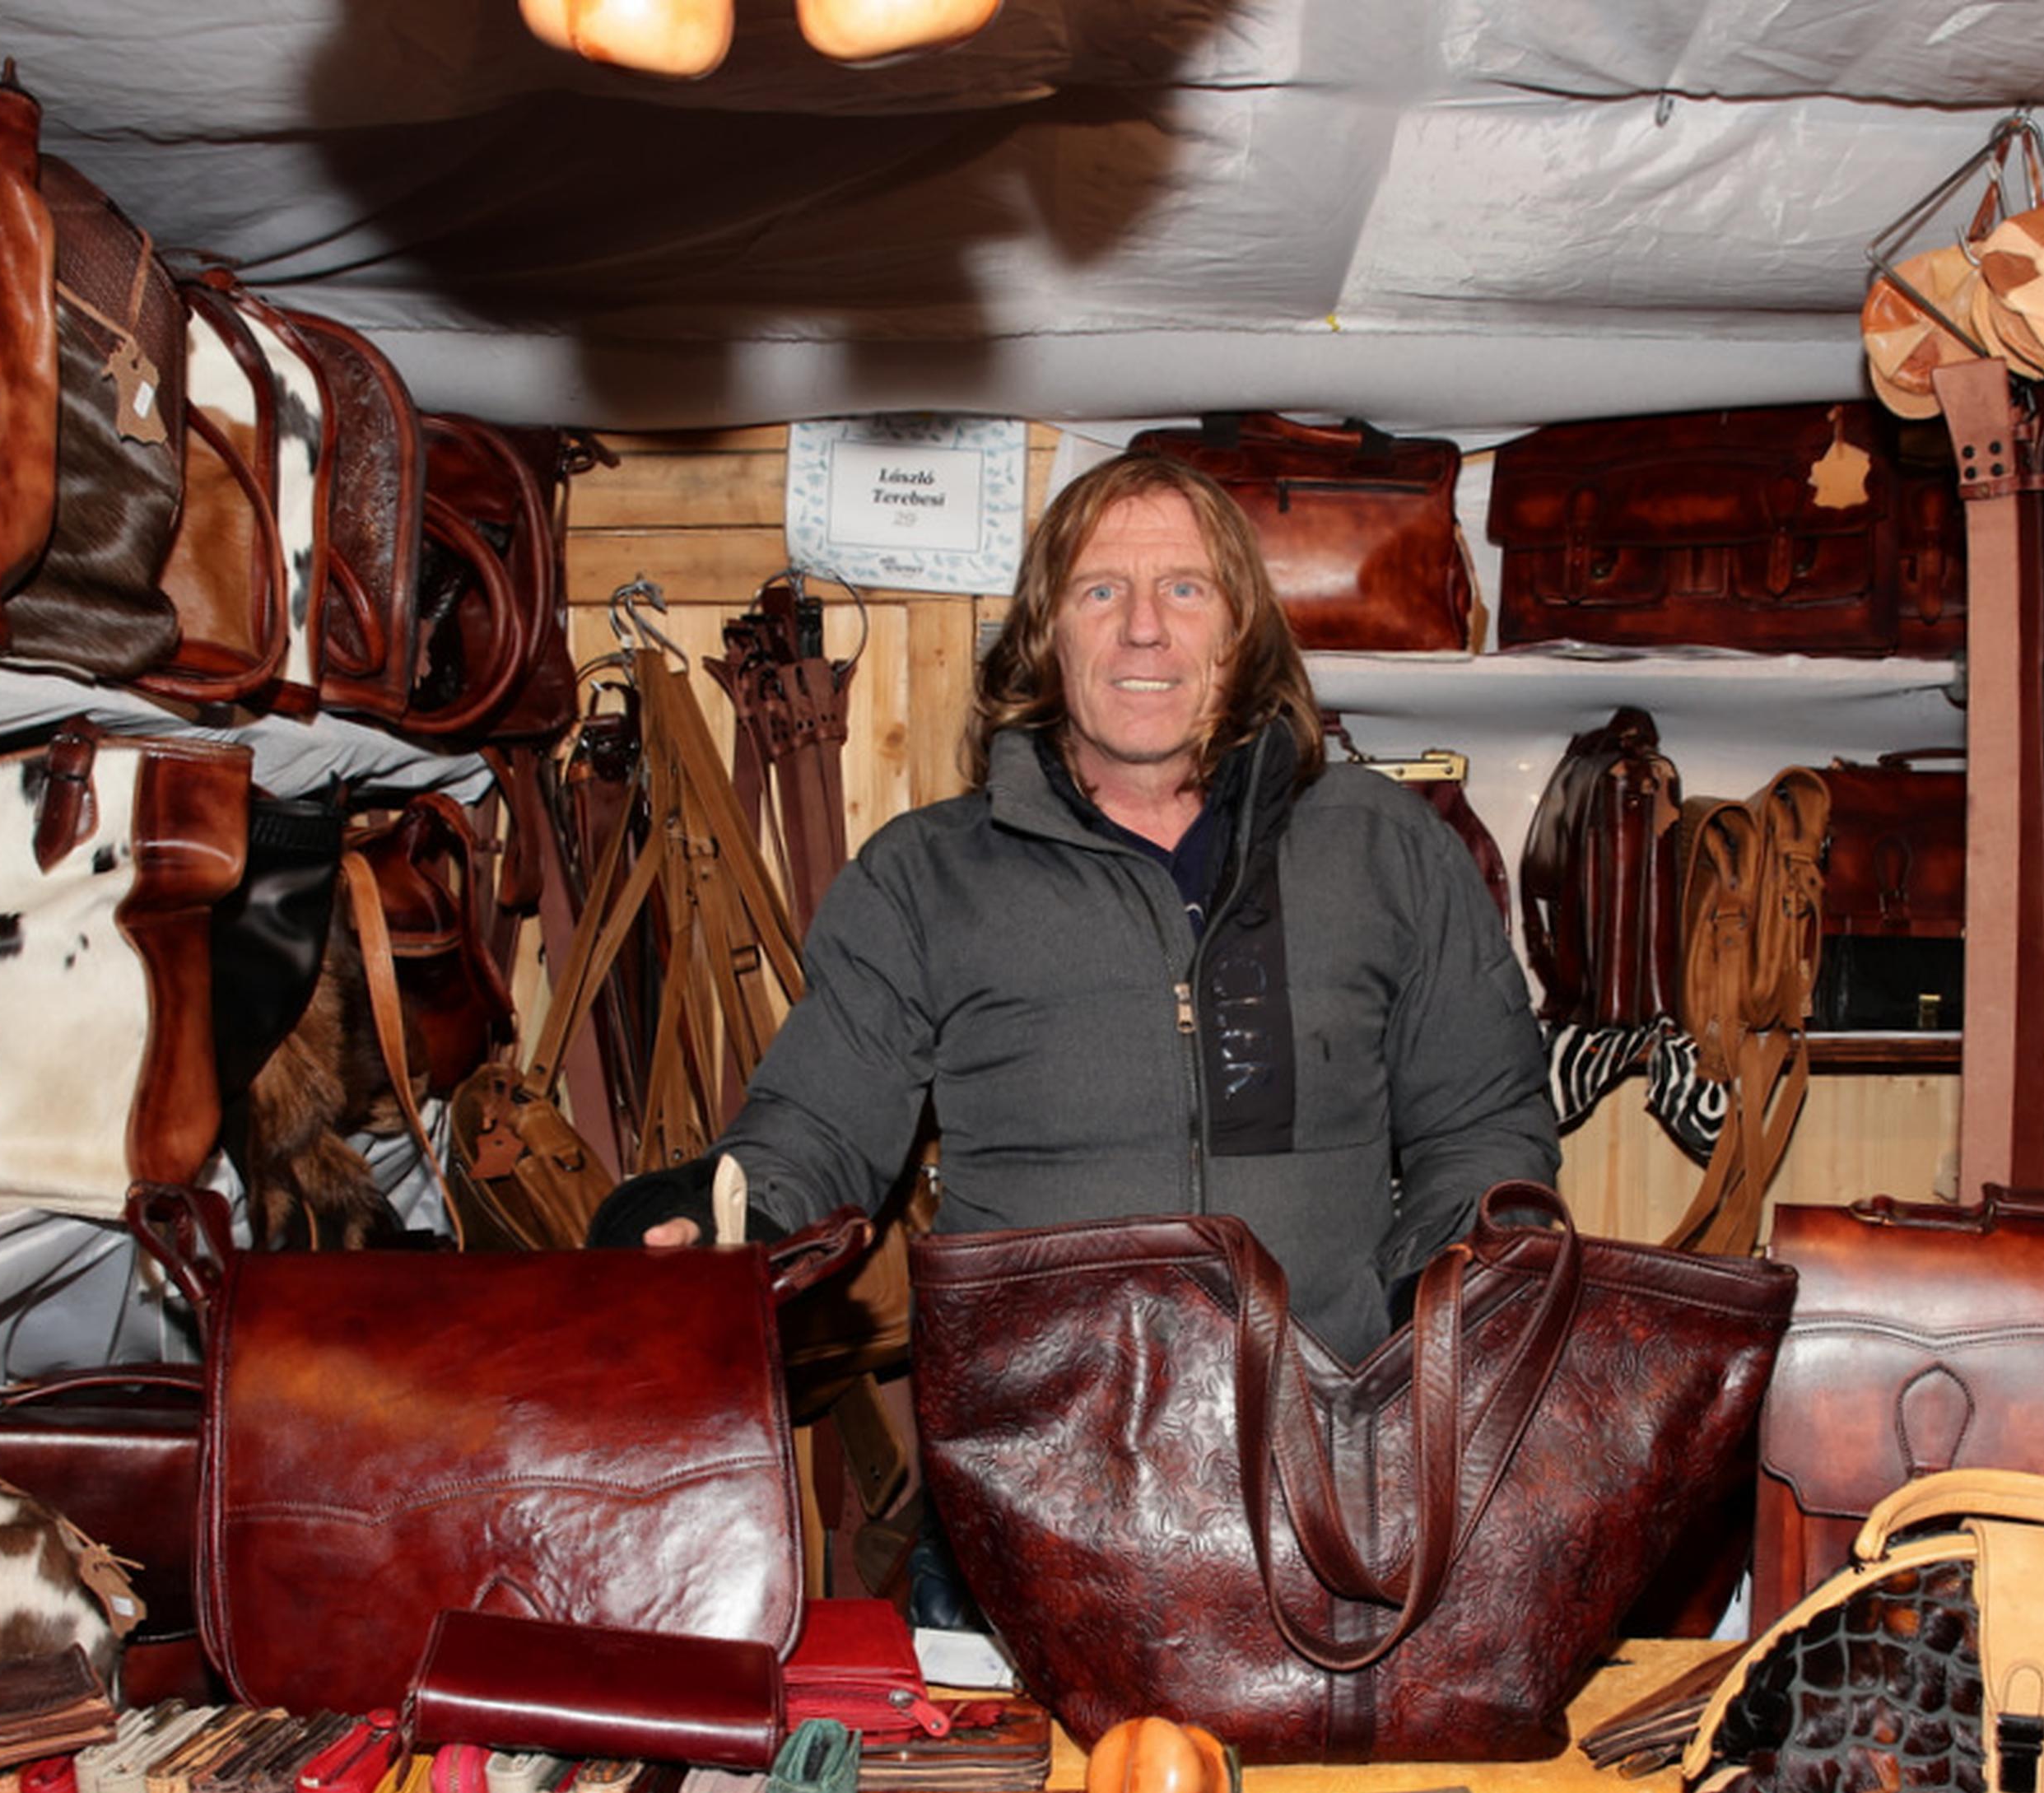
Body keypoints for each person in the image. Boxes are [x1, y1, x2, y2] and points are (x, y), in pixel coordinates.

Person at [587, 449, 1557, 1362]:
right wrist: (723, 1219)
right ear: (1047, 635)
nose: (1145, 626)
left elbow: (1481, 1123)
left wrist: (1434, 1318)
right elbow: (820, 1127)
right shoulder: (925, 879)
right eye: (1102, 591)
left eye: (1186, 588)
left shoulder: (1385, 848)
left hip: (1331, 1449)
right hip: (1033, 1457)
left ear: (1242, 628)